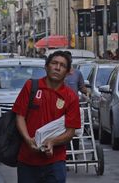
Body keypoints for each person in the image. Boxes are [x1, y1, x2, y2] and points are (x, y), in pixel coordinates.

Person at [13, 50, 81, 183]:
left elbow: (70, 131)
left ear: (67, 72)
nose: (57, 67)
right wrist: (28, 139)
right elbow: (19, 116)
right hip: (27, 160)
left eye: (62, 65)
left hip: (55, 162)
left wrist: (52, 142)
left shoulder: (71, 97)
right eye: (54, 63)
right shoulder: (31, 86)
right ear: (46, 66)